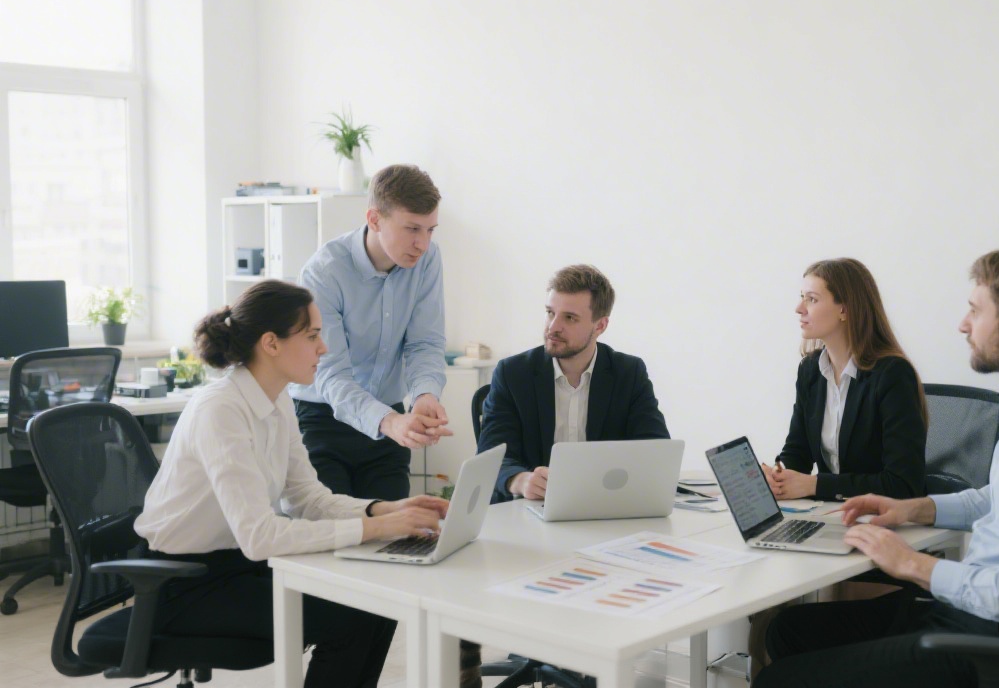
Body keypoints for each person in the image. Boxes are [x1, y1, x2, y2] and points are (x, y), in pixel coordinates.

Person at [755, 249, 999, 688]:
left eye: (975, 311)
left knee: (780, 680)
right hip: (976, 615)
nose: (963, 325)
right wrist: (914, 509)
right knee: (787, 631)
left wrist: (913, 564)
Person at [134, 280, 449, 688]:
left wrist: (385, 509)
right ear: (271, 343)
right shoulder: (220, 410)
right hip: (181, 583)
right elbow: (260, 537)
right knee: (349, 619)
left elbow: (307, 499)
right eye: (312, 336)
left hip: (236, 566)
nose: (324, 348)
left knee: (378, 603)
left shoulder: (278, 399)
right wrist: (375, 528)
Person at [290, 164, 452, 502]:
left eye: (430, 230)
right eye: (412, 229)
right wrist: (389, 422)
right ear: (375, 219)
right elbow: (331, 375)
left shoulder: (427, 260)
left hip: (389, 416)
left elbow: (424, 343)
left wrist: (425, 394)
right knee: (333, 528)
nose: (422, 244)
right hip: (323, 419)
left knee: (396, 528)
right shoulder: (324, 272)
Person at [477, 264, 670, 501]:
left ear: (600, 326)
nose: (553, 327)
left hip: (605, 504)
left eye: (569, 318)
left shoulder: (628, 373)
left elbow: (655, 451)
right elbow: (490, 456)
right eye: (550, 313)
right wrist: (520, 480)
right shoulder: (513, 373)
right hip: (531, 507)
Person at [766, 258, 927, 502]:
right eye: (802, 297)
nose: (799, 308)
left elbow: (902, 484)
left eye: (812, 299)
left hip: (882, 517)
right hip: (831, 514)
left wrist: (815, 485)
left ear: (844, 309)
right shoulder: (810, 371)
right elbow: (797, 452)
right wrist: (777, 476)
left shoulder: (892, 374)